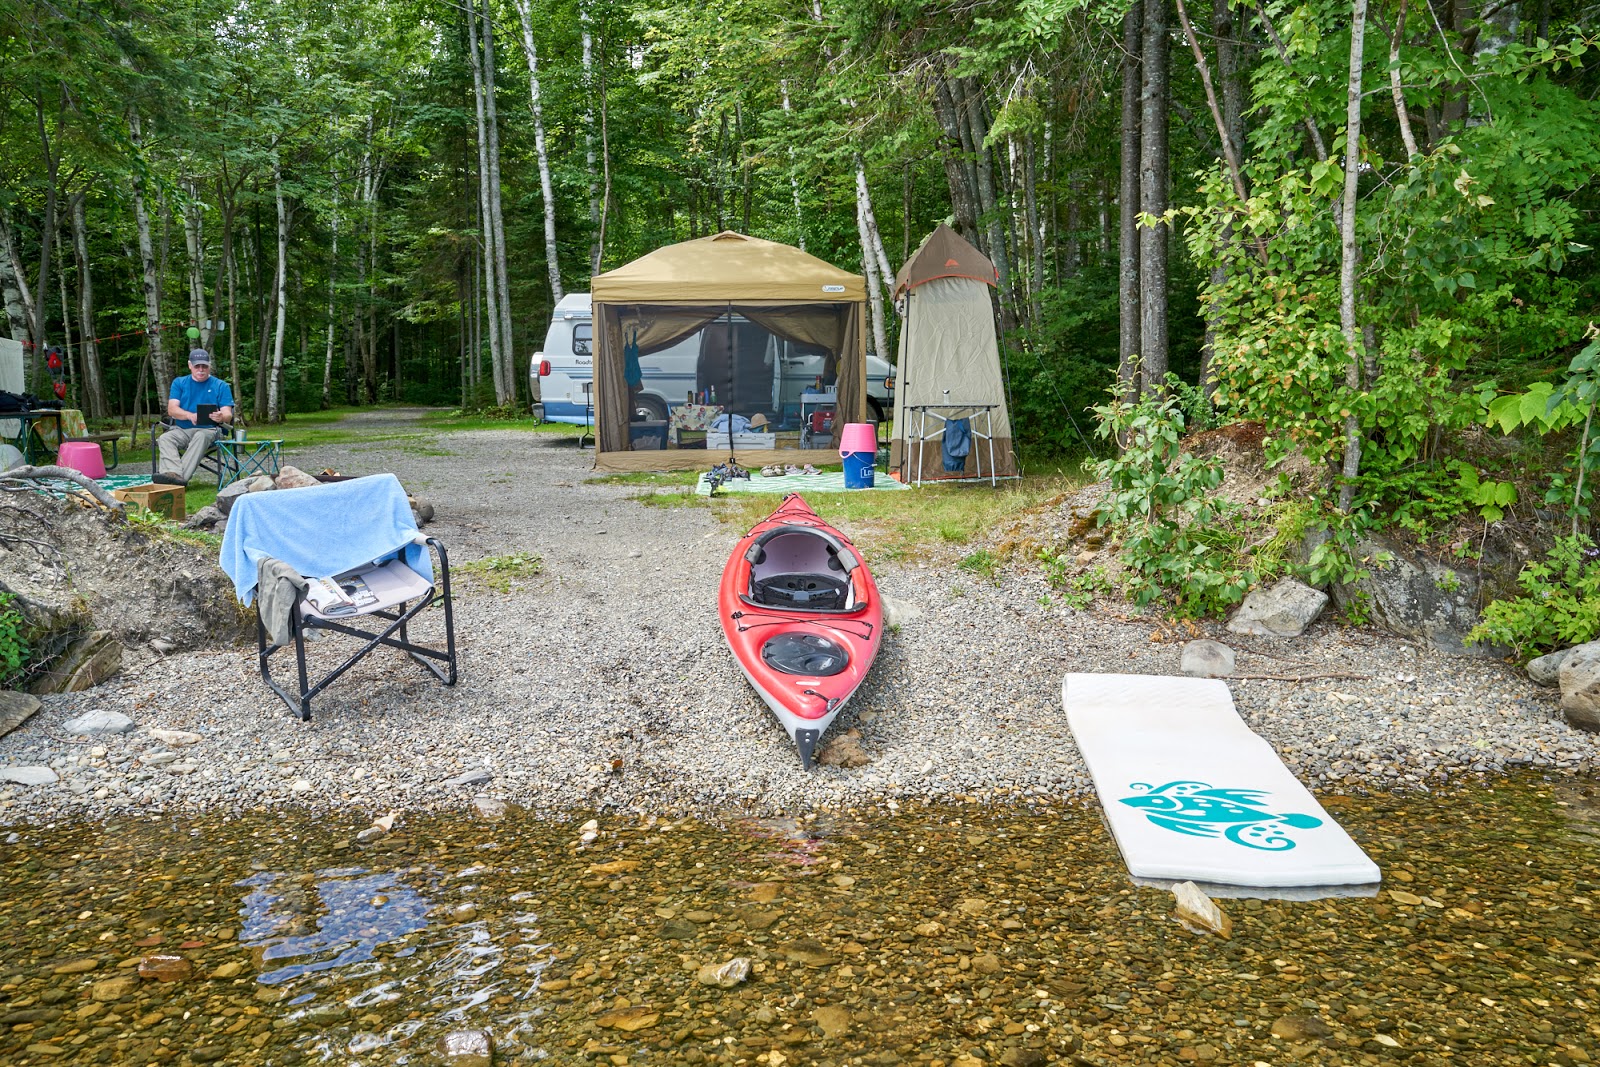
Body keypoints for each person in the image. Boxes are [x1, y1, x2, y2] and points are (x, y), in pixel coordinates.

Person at [155, 349, 234, 485]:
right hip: (183, 429)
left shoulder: (221, 385)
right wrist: (189, 415)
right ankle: (174, 475)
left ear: (209, 366)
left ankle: (175, 481)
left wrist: (221, 417)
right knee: (165, 438)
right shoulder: (179, 383)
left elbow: (228, 414)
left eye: (204, 366)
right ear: (190, 365)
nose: (201, 370)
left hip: (211, 430)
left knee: (201, 436)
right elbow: (172, 409)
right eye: (197, 366)